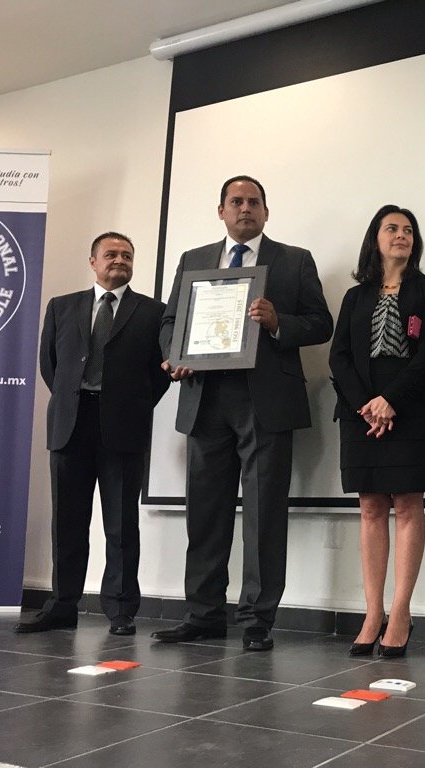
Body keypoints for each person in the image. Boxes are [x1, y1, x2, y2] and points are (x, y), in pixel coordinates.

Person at [153, 175, 332, 651]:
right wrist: (173, 355)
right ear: (221, 211)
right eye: (236, 201)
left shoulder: (295, 260)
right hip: (205, 396)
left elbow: (321, 323)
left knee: (263, 513)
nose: (245, 208)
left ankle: (257, 619)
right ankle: (203, 614)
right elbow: (170, 321)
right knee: (205, 512)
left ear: (266, 212)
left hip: (264, 401)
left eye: (254, 202)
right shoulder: (193, 259)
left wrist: (278, 322)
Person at [15, 232, 171, 636]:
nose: (119, 260)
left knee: (121, 525)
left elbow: (159, 375)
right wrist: (76, 398)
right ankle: (62, 605)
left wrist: (131, 404)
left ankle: (120, 611)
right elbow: (50, 365)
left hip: (123, 426)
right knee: (67, 523)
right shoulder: (62, 306)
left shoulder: (154, 312)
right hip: (70, 423)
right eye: (111, 254)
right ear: (93, 261)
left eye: (127, 255)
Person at [329, 205, 425, 658]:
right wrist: (366, 406)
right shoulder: (355, 296)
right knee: (370, 507)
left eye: (408, 230)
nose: (401, 235)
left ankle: (401, 612)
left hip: (411, 407)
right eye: (392, 228)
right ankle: (373, 613)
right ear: (376, 238)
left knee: (407, 505)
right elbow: (338, 357)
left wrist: (391, 401)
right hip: (361, 411)